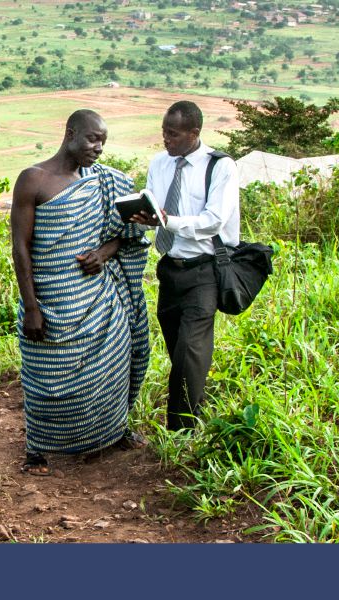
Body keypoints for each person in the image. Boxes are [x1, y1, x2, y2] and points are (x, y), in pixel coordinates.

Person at [9, 110, 151, 476]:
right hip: (51, 300)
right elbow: (20, 249)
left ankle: (114, 430)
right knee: (45, 378)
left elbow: (128, 234)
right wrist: (31, 307)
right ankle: (37, 449)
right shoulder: (33, 179)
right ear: (70, 132)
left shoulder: (104, 182)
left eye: (103, 141)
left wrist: (104, 253)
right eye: (92, 139)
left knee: (112, 366)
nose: (99, 148)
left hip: (98, 299)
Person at [131, 100, 240, 430]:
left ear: (194, 133)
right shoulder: (160, 164)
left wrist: (168, 220)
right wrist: (146, 218)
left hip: (205, 269)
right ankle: (196, 410)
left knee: (189, 352)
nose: (166, 139)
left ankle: (181, 432)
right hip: (170, 269)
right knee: (179, 349)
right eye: (164, 132)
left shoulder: (220, 167)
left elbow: (213, 221)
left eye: (173, 134)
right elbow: (156, 210)